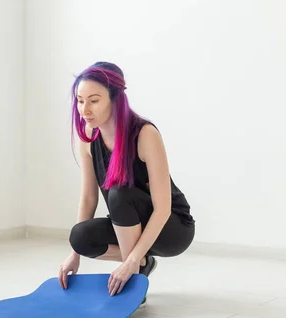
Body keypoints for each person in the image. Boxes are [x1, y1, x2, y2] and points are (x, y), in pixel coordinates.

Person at [58, 61, 195, 302]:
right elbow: (89, 197)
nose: (84, 109)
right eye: (80, 100)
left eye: (94, 100)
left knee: (120, 193)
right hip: (128, 227)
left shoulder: (145, 135)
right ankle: (142, 261)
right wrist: (75, 254)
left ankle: (135, 271)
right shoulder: (89, 138)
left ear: (115, 99)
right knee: (80, 237)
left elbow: (163, 209)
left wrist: (129, 262)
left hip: (172, 228)